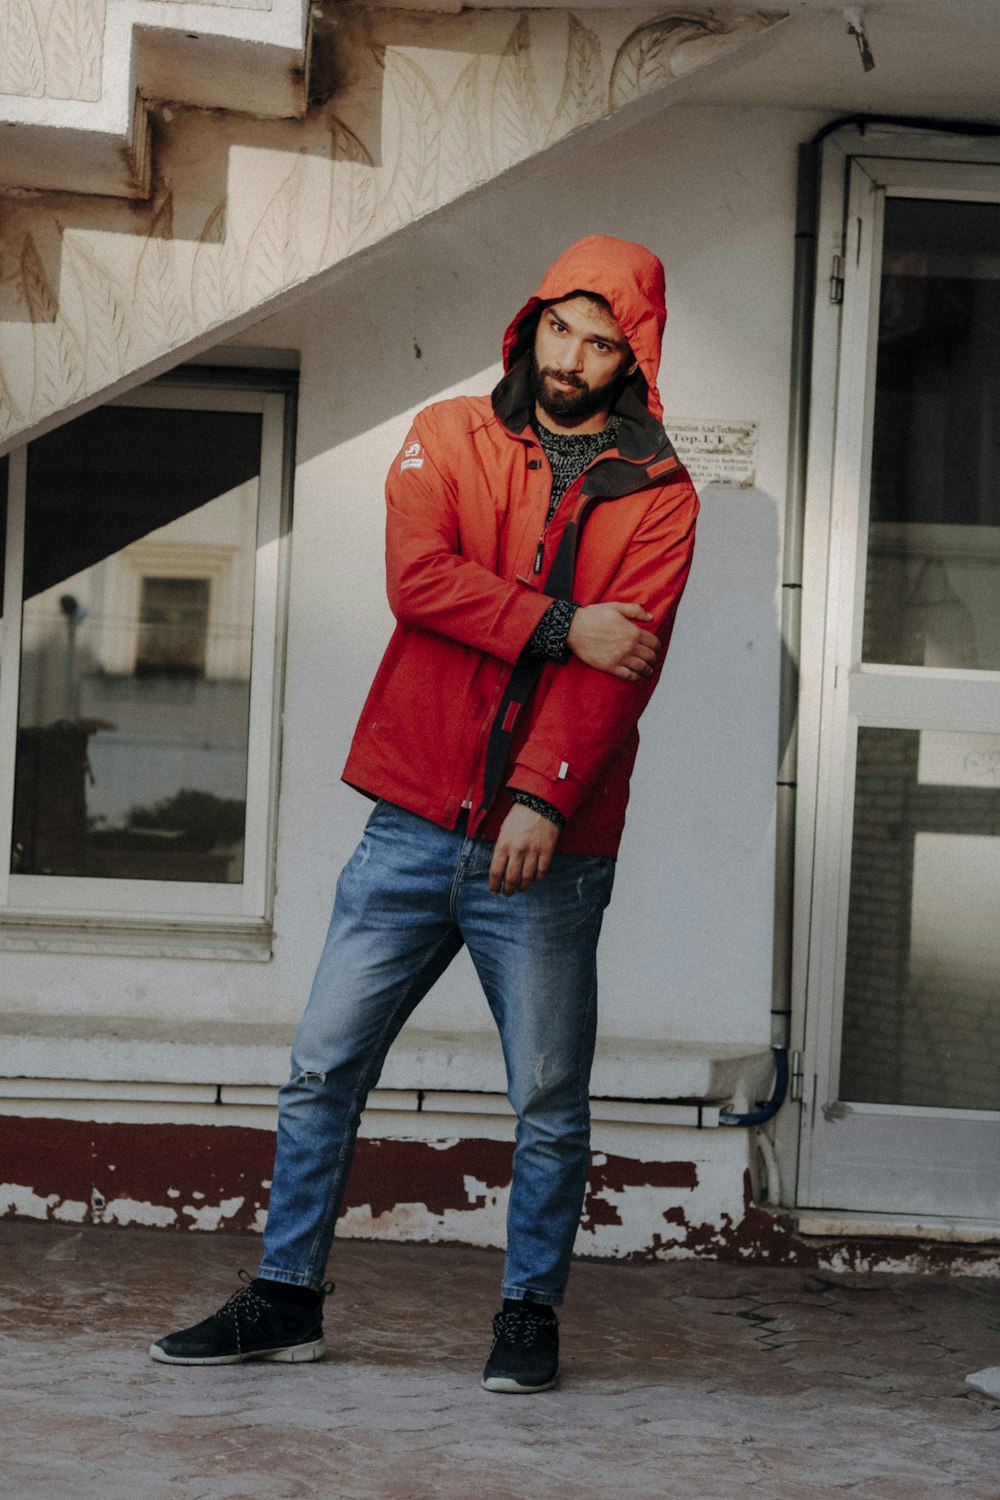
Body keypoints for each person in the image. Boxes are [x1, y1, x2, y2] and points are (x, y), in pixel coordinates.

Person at [150, 233, 699, 1393]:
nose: (573, 356)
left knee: (547, 1098)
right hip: (409, 820)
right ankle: (285, 1301)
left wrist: (542, 799)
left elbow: (623, 668)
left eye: (602, 342)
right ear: (532, 320)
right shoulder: (448, 436)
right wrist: (561, 624)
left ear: (630, 358)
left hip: (547, 847)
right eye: (561, 328)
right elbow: (421, 584)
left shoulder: (660, 498)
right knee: (320, 1069)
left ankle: (528, 1318)